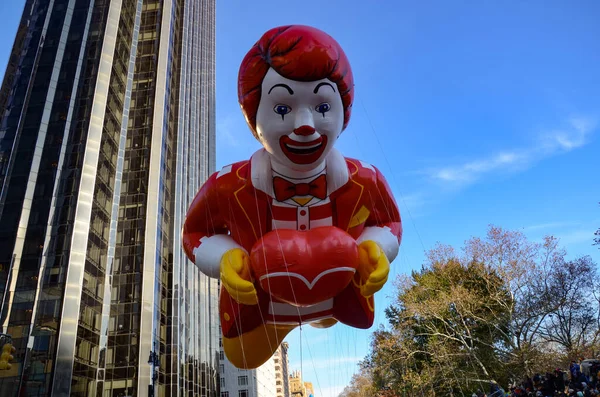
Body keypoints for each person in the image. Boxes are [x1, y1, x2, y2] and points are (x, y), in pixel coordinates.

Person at [182, 25, 402, 369]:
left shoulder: (366, 180)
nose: (305, 125)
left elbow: (388, 221)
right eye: (282, 109)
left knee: (326, 318)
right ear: (253, 117)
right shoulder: (227, 185)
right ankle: (286, 322)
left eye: (322, 107)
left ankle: (318, 313)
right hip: (258, 314)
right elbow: (194, 233)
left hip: (337, 303)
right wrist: (225, 259)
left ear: (344, 113)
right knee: (243, 358)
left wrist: (377, 247)